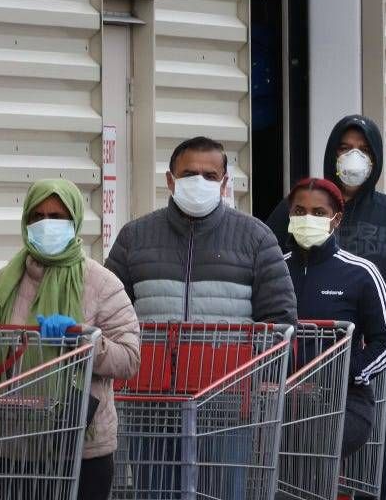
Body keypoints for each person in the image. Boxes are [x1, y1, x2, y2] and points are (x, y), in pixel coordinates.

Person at [107, 136, 296, 498]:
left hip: (225, 404)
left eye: (210, 176)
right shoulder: (135, 237)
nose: (200, 182)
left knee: (221, 492)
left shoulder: (255, 238)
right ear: (170, 180)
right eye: (189, 174)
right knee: (155, 493)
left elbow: (280, 319)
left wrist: (256, 380)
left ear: (225, 183)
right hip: (149, 405)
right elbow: (111, 312)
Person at [266, 115, 386, 500]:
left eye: (362, 149)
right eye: (344, 148)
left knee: (379, 459)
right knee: (300, 459)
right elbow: (268, 265)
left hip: (374, 357)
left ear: (375, 159)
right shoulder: (299, 207)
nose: (352, 156)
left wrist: (378, 320)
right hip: (306, 365)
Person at [0, 179, 140, 500]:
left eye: (57, 217)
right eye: (37, 216)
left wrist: (82, 340)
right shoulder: (4, 282)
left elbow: (129, 359)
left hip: (81, 447)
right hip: (14, 444)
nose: (46, 224)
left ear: (75, 221)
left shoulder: (102, 283)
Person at [283, 177, 386, 457]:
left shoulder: (361, 273)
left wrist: (349, 373)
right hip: (282, 400)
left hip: (344, 402)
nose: (307, 218)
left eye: (318, 212)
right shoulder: (276, 269)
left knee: (312, 440)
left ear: (335, 219)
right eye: (299, 211)